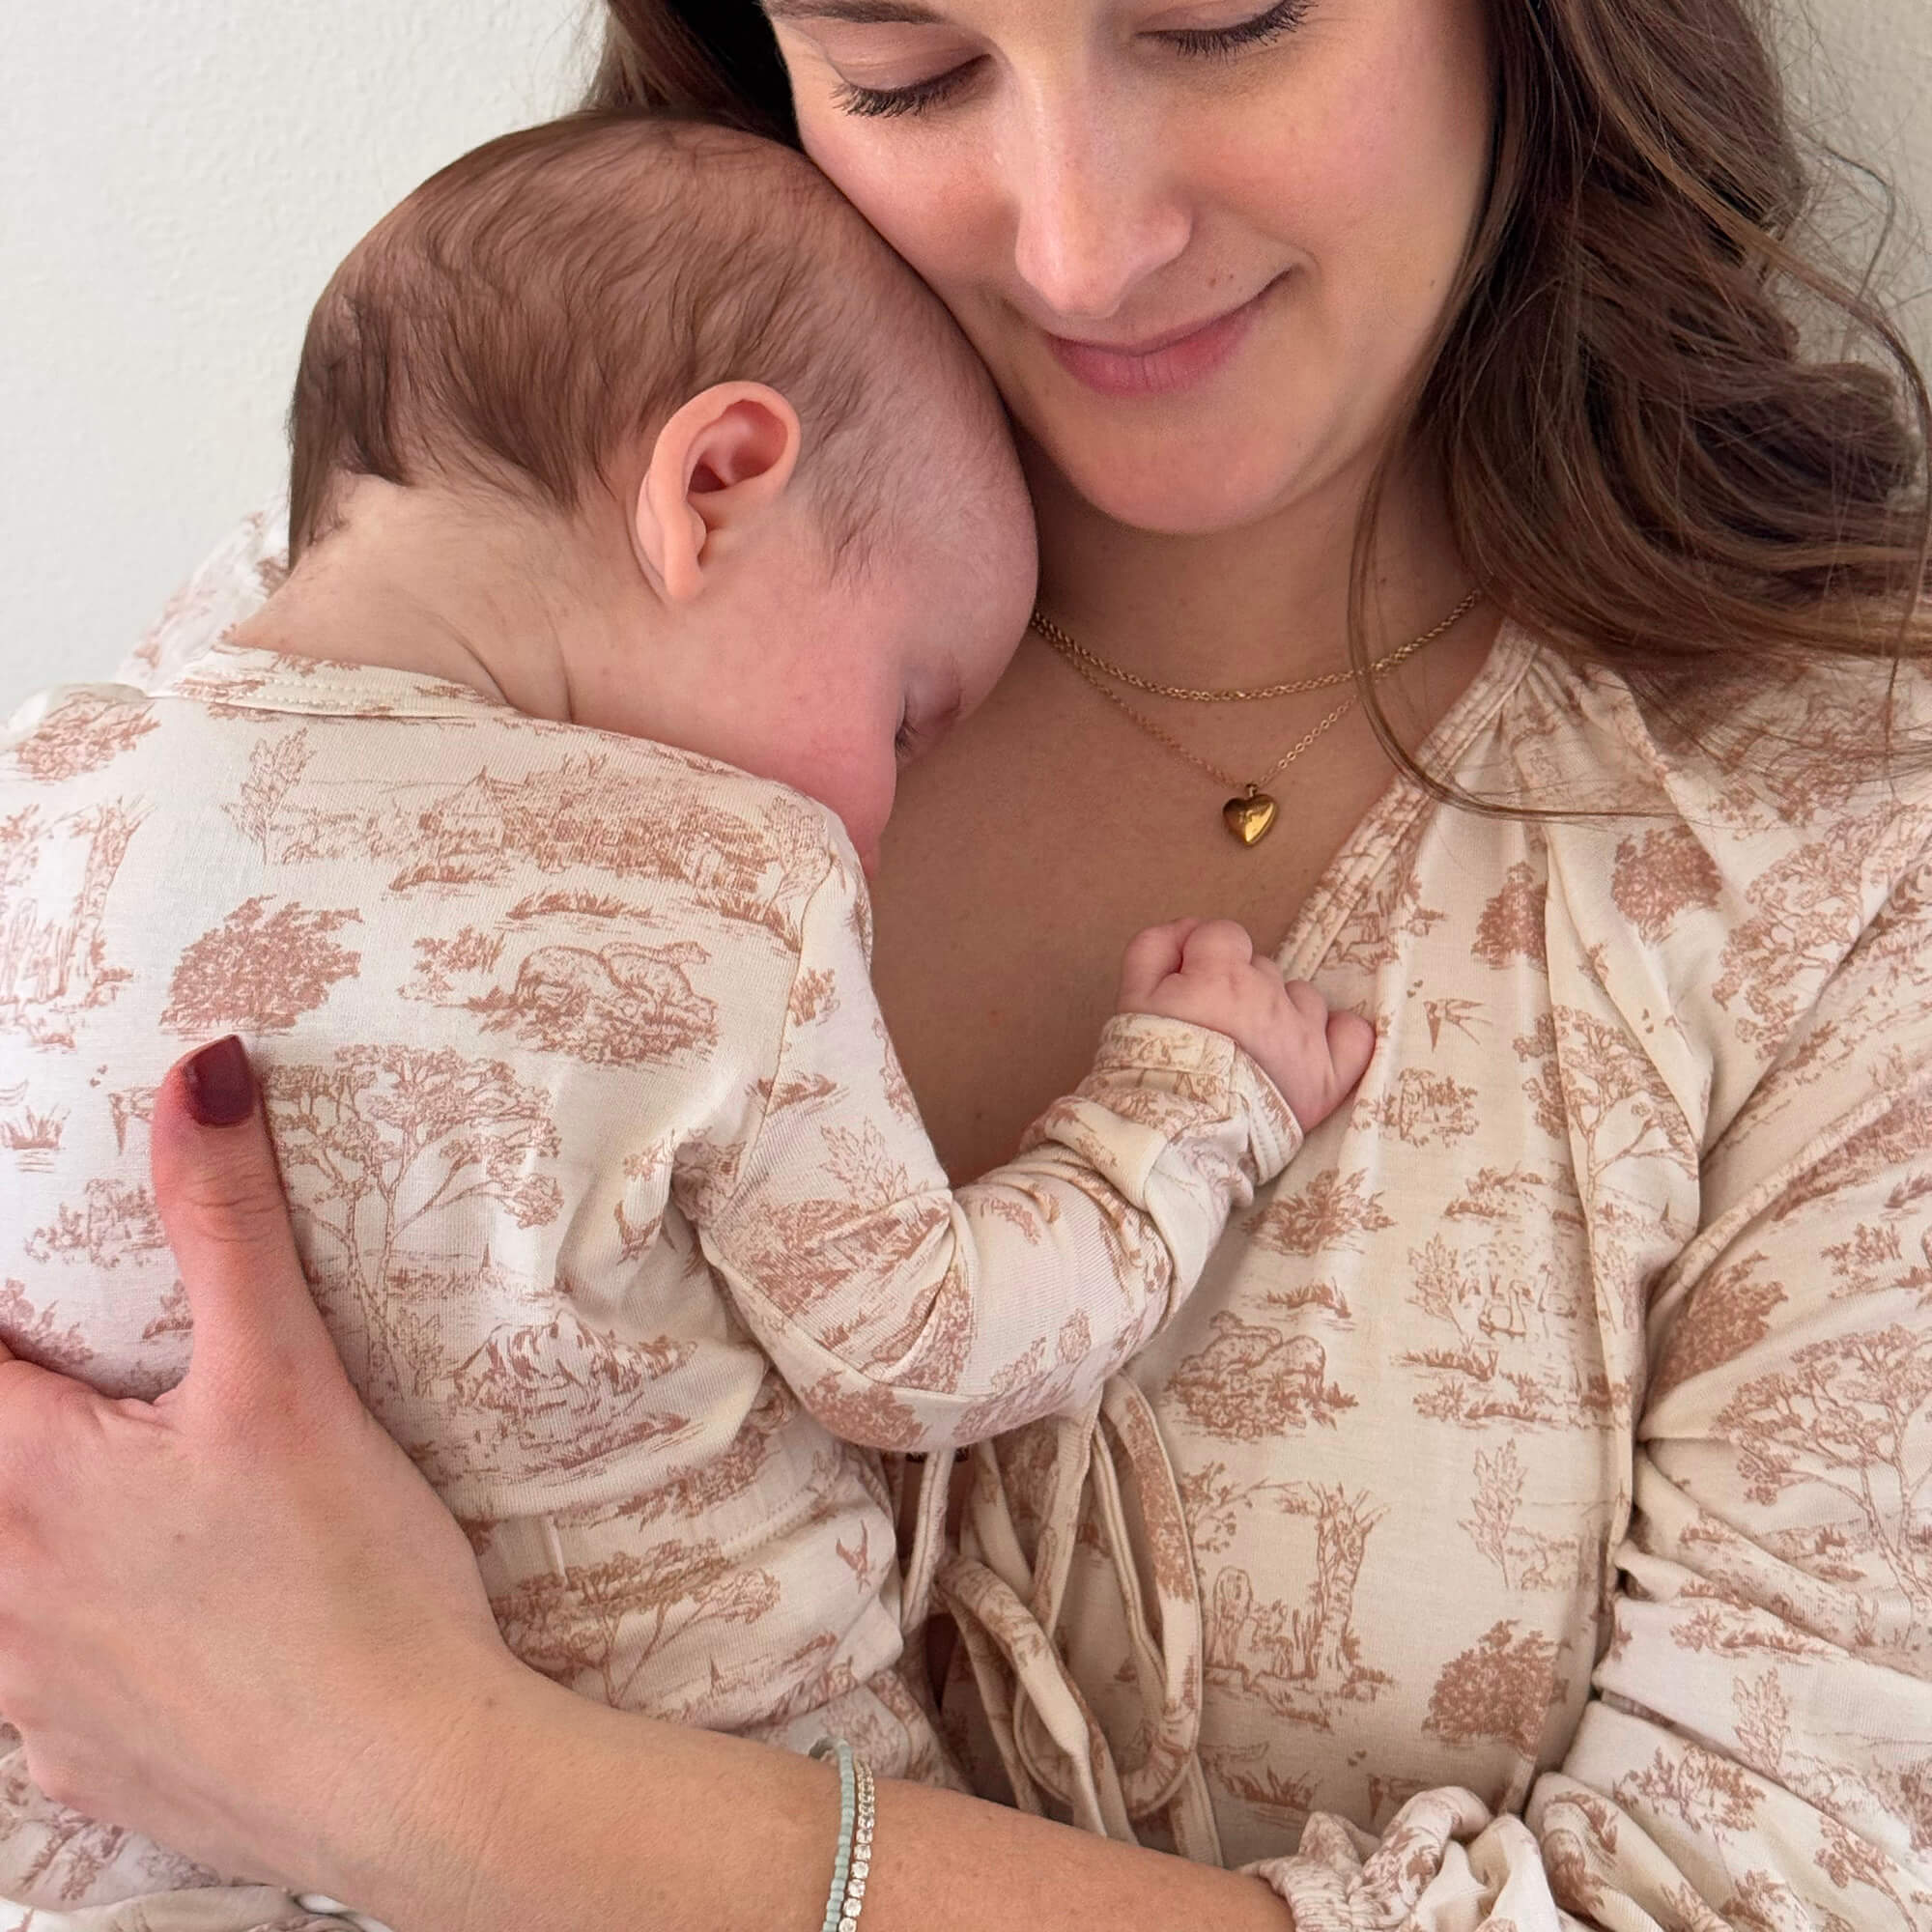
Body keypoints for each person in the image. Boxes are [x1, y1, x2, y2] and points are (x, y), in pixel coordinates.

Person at [2, 0, 1930, 1927]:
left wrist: (430, 1779)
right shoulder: (361, 635)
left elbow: (1759, 1893)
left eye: (1218, 16)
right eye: (904, 68)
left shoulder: (1833, 837)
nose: (1080, 240)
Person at [0, 108, 1375, 1924]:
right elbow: (917, 1353)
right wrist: (1187, 1112)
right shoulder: (725, 885)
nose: (887, 811)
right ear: (714, 482)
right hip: (706, 1790)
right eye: (904, 713)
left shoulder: (54, 784)